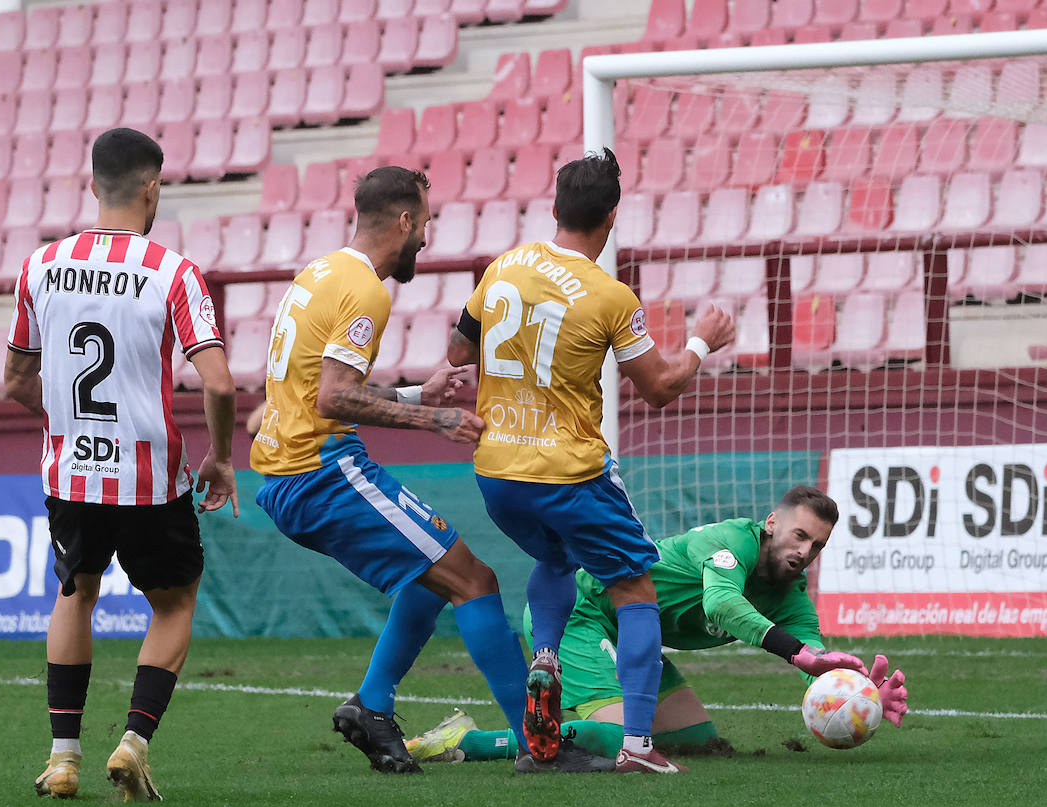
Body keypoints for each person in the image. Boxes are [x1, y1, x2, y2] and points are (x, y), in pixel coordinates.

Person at [250, 166, 608, 774]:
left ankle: (371, 705)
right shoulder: (365, 291)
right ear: (405, 220)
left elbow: (309, 389)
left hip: (291, 473)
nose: (428, 238)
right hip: (323, 472)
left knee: (432, 573)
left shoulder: (320, 273)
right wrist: (433, 422)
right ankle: (538, 744)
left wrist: (419, 394)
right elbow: (333, 399)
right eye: (427, 222)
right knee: (474, 579)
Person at [446, 148, 735, 773]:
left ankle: (544, 658)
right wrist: (700, 342)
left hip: (496, 471)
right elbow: (658, 387)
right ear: (610, 218)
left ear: (554, 209)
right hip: (570, 473)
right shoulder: (610, 295)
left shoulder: (503, 269)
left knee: (555, 557)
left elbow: (456, 349)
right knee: (635, 589)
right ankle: (637, 747)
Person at [4, 127, 239, 803]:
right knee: (175, 602)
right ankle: (133, 742)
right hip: (148, 475)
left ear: (91, 185)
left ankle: (63, 759)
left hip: (70, 472)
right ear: (152, 187)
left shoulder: (40, 265)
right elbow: (218, 384)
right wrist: (220, 458)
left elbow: (19, 380)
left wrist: (68, 427)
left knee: (76, 590)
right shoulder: (173, 272)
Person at [404, 486, 909, 763]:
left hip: (632, 636)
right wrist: (797, 654)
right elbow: (722, 606)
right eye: (800, 535)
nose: (805, 551)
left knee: (700, 742)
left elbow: (812, 653)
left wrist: (857, 693)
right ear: (772, 524)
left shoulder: (790, 594)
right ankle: (465, 742)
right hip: (584, 613)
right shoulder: (733, 541)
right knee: (624, 738)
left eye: (817, 545)